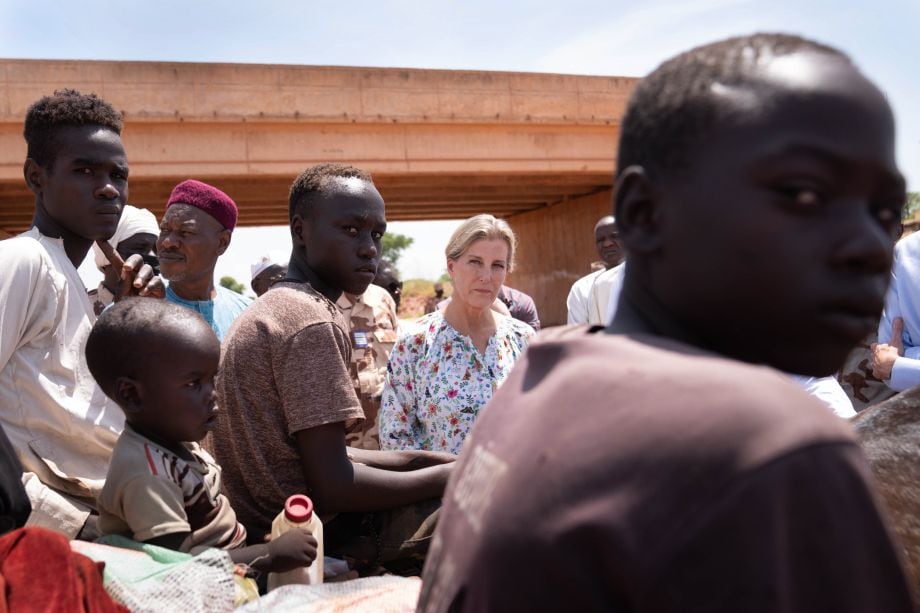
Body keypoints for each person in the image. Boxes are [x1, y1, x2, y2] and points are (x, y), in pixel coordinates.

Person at [418, 33, 914, 612]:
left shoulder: (538, 380)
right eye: (803, 193)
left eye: (884, 211)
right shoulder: (773, 450)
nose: (866, 244)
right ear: (644, 213)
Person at [215, 163, 453, 571]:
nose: (369, 248)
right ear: (300, 232)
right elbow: (335, 487)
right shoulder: (310, 321)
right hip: (299, 539)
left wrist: (432, 461)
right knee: (496, 500)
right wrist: (453, 477)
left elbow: (327, 454)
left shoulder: (279, 306)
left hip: (271, 523)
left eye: (376, 233)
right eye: (350, 229)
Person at [0, 89, 161, 539]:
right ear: (36, 176)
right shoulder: (23, 261)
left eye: (118, 174)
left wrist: (134, 322)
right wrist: (72, 525)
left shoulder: (94, 284)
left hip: (118, 516)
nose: (109, 187)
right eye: (85, 170)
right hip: (61, 530)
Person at [86, 299, 317, 574]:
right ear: (131, 395)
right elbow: (175, 568)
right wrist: (268, 555)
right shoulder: (148, 474)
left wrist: (253, 544)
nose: (212, 394)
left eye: (212, 379)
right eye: (194, 383)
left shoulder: (176, 441)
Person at [379, 215, 536, 455]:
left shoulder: (523, 340)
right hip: (440, 492)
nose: (486, 276)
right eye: (475, 262)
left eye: (497, 265)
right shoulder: (415, 344)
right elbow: (395, 440)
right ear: (452, 267)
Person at [158, 179, 251, 341]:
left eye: (185, 232)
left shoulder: (247, 315)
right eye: (164, 230)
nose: (168, 242)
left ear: (222, 243)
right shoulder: (133, 314)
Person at [338, 283, 400, 450]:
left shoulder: (382, 298)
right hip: (343, 438)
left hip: (386, 432)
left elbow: (399, 361)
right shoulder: (323, 301)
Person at [871, 231, 920, 391]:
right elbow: (884, 362)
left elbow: (893, 365)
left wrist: (903, 367)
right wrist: (898, 367)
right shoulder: (906, 252)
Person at [89, 204, 160, 314]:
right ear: (108, 252)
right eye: (140, 248)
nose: (151, 256)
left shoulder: (163, 309)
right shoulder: (80, 309)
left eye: (155, 250)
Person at [567, 215, 624, 325]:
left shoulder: (648, 279)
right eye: (600, 240)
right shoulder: (581, 289)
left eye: (615, 236)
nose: (607, 243)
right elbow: (579, 336)